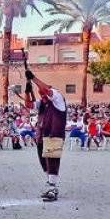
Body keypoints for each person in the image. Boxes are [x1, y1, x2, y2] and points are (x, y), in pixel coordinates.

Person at [28, 71, 67, 201]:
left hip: (54, 134)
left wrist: (33, 78)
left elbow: (46, 90)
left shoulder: (58, 99)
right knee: (44, 162)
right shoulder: (42, 103)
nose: (41, 92)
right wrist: (27, 91)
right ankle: (51, 185)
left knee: (52, 161)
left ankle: (52, 188)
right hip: (42, 136)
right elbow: (29, 105)